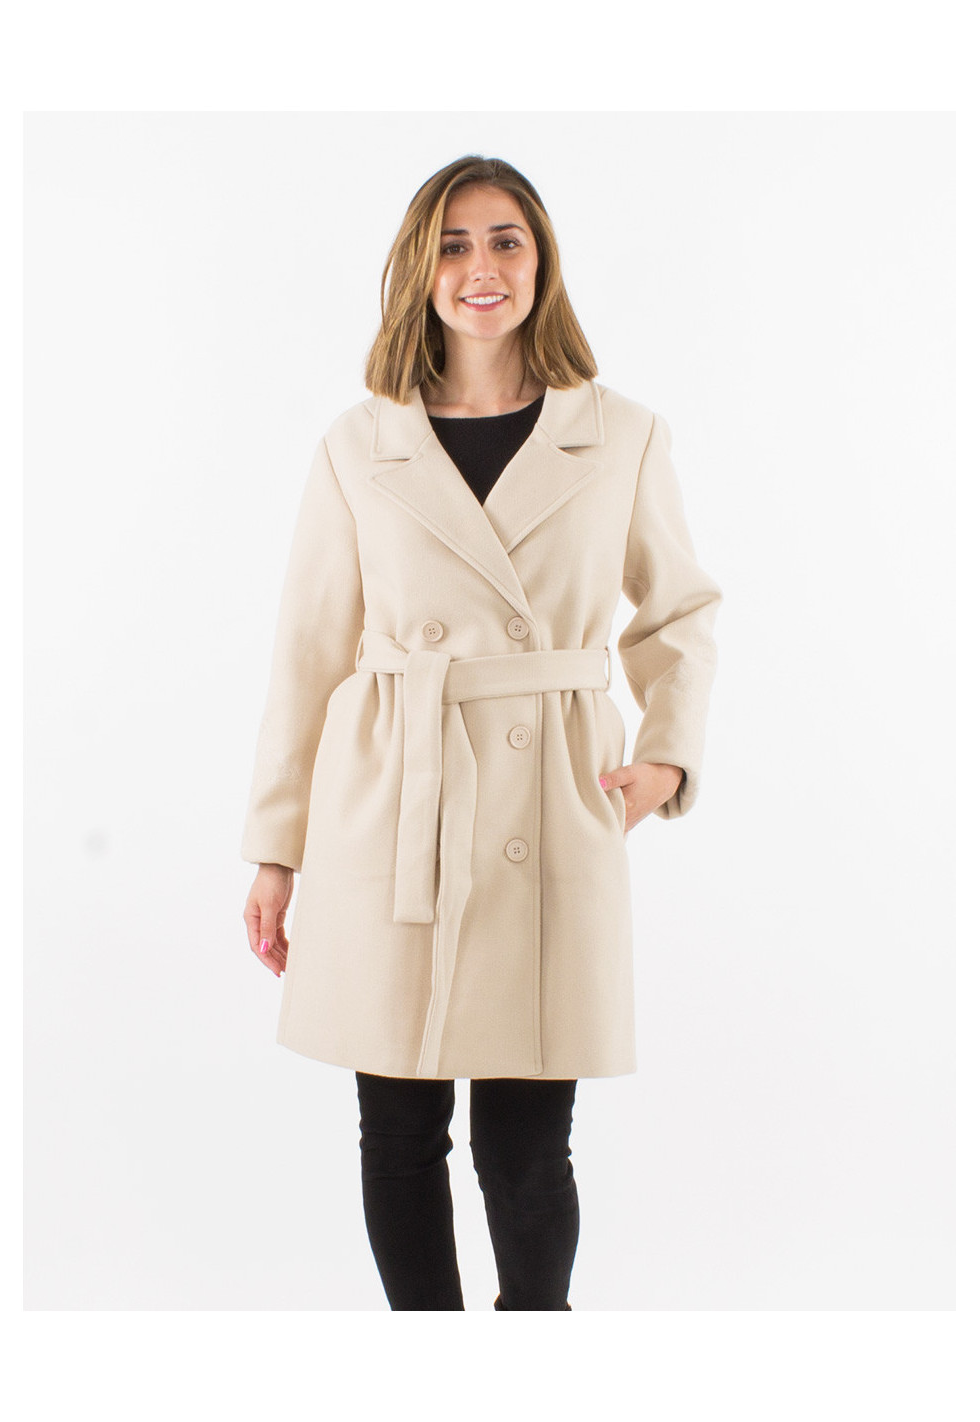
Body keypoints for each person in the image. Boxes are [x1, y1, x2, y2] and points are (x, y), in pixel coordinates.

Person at [240, 154, 723, 1311]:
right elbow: (308, 651)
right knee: (398, 1127)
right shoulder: (359, 445)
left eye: (505, 240)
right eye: (452, 245)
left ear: (541, 261)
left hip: (546, 798)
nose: (480, 267)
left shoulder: (620, 434)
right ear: (419, 268)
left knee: (527, 1142)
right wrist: (275, 851)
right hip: (389, 801)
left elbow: (677, 613)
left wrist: (662, 760)